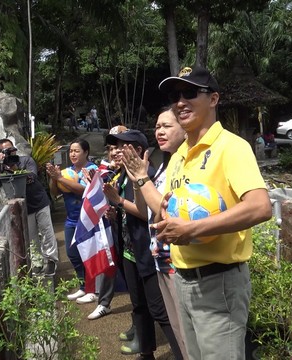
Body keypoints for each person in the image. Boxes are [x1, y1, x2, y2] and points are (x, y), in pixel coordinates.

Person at [155, 65, 272, 360]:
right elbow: (172, 207)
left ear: (213, 99)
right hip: (183, 279)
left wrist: (193, 229)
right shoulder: (179, 155)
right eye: (175, 95)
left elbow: (260, 206)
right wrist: (164, 219)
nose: (180, 102)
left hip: (218, 283)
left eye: (190, 92)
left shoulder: (231, 147)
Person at [103, 130, 184, 360]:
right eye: (114, 147)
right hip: (130, 251)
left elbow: (145, 212)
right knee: (138, 305)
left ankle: (181, 353)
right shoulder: (123, 175)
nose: (116, 151)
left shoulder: (146, 176)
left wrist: (118, 201)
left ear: (138, 150)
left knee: (160, 310)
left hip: (147, 252)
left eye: (122, 146)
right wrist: (116, 212)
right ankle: (146, 352)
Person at [121, 107, 189, 359]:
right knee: (173, 323)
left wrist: (139, 180)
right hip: (161, 258)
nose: (159, 131)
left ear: (185, 129)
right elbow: (151, 210)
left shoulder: (185, 165)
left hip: (178, 261)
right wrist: (138, 179)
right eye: (157, 126)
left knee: (181, 326)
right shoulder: (164, 166)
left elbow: (165, 211)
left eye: (167, 126)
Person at [45, 139, 115, 320]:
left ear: (86, 152)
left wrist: (59, 178)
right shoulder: (67, 172)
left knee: (88, 254)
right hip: (71, 219)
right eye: (71, 152)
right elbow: (55, 193)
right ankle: (84, 285)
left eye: (77, 151)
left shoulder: (92, 170)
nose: (73, 154)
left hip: (89, 220)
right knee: (72, 253)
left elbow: (84, 191)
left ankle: (92, 290)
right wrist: (54, 178)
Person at [0, 138, 59, 275]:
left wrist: (16, 169)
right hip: (24, 207)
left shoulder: (26, 160)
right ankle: (37, 263)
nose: (10, 153)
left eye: (11, 149)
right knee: (31, 236)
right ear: (1, 153)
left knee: (47, 232)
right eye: (6, 151)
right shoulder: (1, 167)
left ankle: (51, 261)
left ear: (15, 148)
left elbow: (32, 176)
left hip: (39, 201)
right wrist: (0, 165)